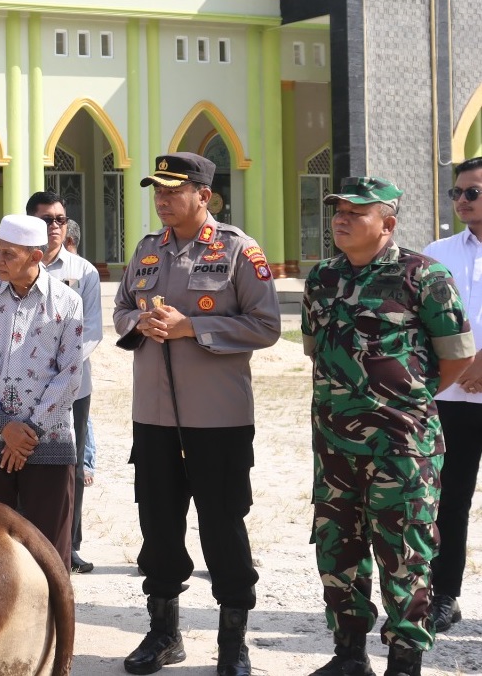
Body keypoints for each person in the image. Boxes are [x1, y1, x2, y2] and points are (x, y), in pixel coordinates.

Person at [113, 152, 281, 676]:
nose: (162, 200)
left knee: (222, 525)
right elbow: (119, 310)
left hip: (219, 421)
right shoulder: (146, 251)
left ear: (203, 196)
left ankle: (233, 643)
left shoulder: (236, 250)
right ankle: (163, 633)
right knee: (158, 525)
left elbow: (266, 325)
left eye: (173, 191)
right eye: (157, 192)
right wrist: (140, 321)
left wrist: (194, 329)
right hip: (155, 418)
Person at [304, 177, 473, 676]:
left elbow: (455, 360)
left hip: (402, 446)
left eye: (357, 213)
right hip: (334, 445)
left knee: (406, 551)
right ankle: (349, 653)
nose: (341, 219)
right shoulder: (322, 278)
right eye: (338, 210)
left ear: (388, 223)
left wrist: (401, 400)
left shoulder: (423, 276)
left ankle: (405, 659)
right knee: (339, 550)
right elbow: (316, 351)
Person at [0, 214, 85, 564]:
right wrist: (4, 426)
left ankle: (52, 620)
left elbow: (70, 375)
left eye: (8, 254)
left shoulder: (67, 302)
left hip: (49, 441)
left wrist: (27, 433)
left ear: (36, 256)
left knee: (47, 551)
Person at [28, 191, 103, 574]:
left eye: (59, 219)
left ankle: (68, 546)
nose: (54, 226)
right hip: (23, 388)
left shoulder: (84, 272)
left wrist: (59, 371)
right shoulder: (15, 265)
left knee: (69, 465)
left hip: (72, 388)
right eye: (46, 219)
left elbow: (91, 331)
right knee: (24, 459)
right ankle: (25, 542)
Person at [423, 158, 482, 636]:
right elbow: (423, 323)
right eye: (458, 193)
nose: (463, 201)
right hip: (454, 400)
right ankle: (444, 596)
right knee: (448, 501)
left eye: (473, 192)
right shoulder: (437, 253)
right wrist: (463, 367)